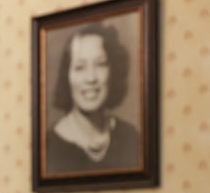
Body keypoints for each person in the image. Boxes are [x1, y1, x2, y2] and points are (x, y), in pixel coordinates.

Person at [46, 21, 140, 175]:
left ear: (113, 70)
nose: (91, 78)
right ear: (66, 76)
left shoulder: (132, 138)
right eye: (80, 67)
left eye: (101, 64)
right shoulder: (47, 147)